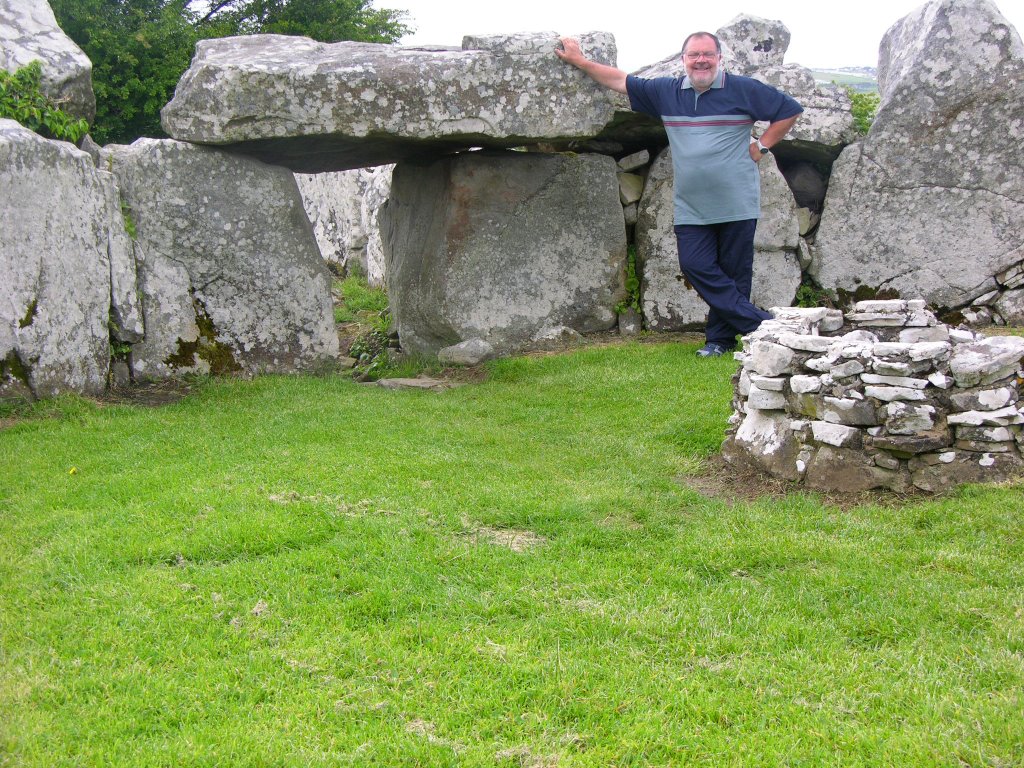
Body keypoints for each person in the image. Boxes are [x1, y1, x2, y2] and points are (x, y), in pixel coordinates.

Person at [556, 32, 802, 357]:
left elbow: (789, 110)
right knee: (694, 264)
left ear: (719, 58)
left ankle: (720, 341)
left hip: (738, 201)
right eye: (694, 55)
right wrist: (581, 61)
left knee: (734, 274)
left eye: (707, 55)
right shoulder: (666, 92)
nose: (701, 60)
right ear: (683, 59)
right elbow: (619, 80)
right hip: (692, 204)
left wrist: (761, 144)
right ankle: (764, 326)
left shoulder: (743, 89)